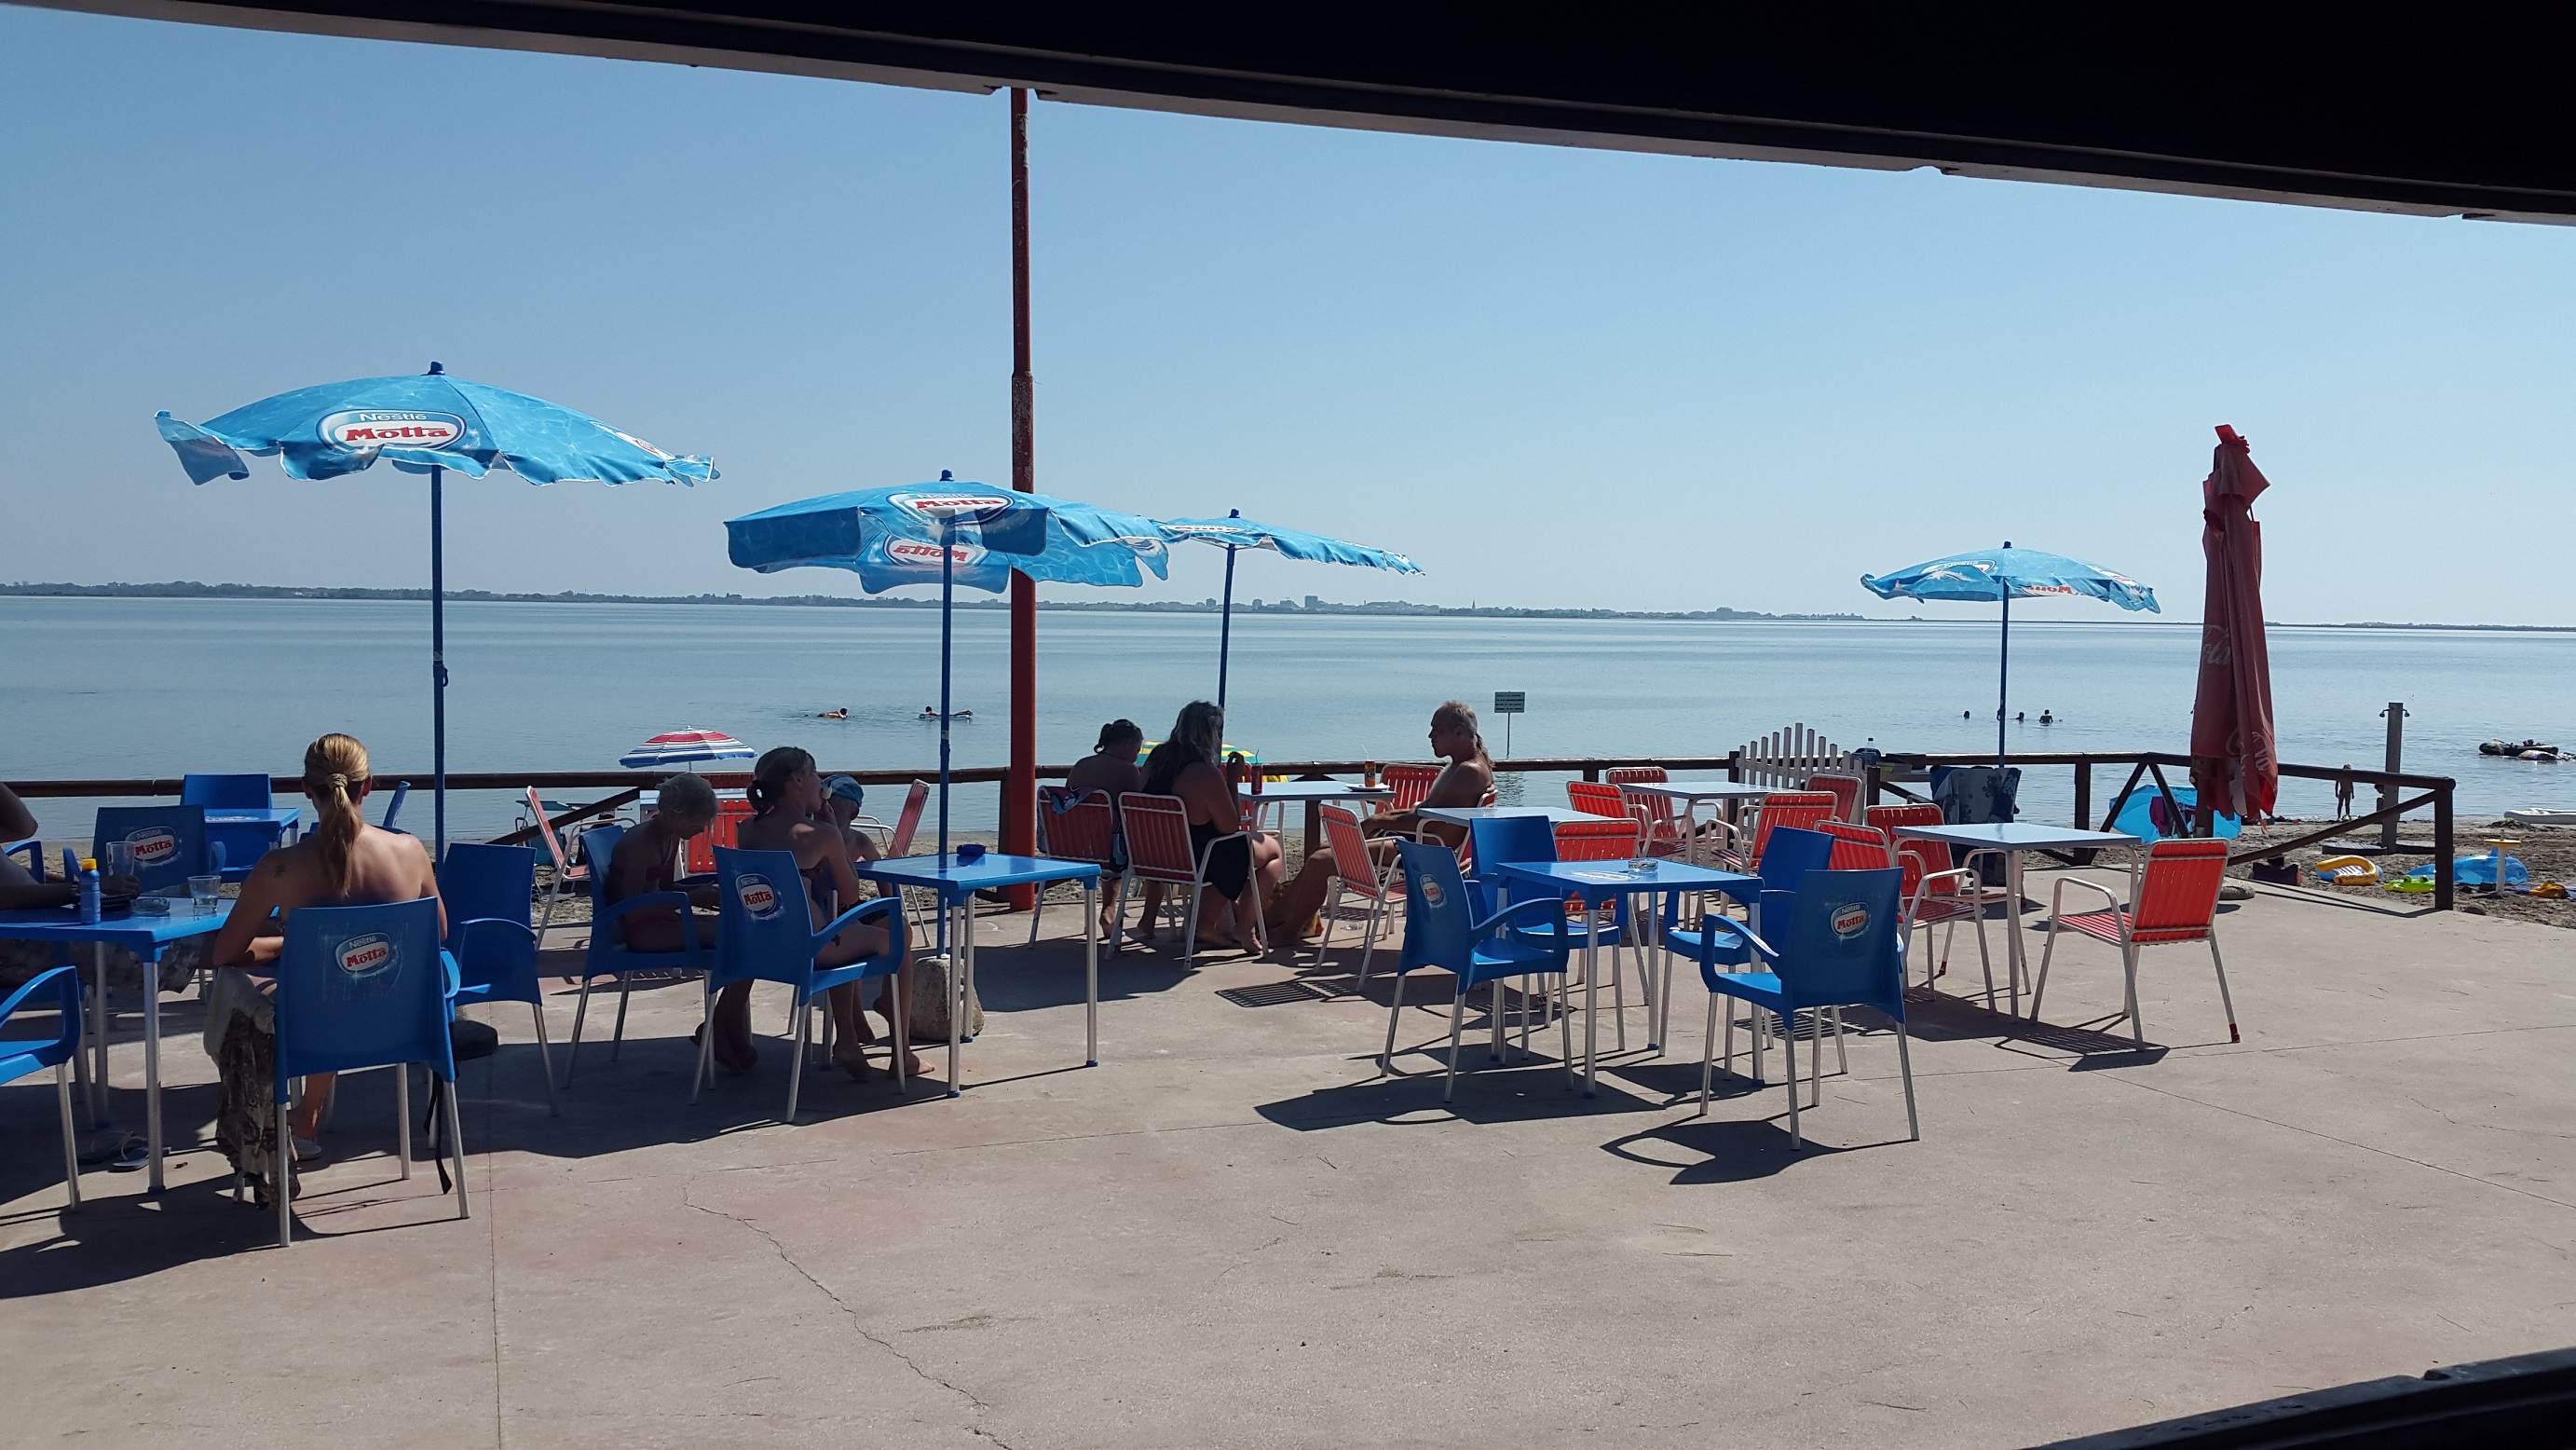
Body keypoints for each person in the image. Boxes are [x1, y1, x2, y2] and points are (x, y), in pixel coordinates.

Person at [205, 733, 443, 1199]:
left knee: (238, 992)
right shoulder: (410, 850)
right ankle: (307, 1114)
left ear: (305, 789)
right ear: (368, 785)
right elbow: (436, 933)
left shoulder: (280, 867)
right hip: (400, 1026)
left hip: (314, 1031)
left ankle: (271, 1134)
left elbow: (225, 954)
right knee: (344, 984)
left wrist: (285, 944)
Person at [729, 747, 918, 1080]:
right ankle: (902, 1054)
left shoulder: (747, 830)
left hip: (762, 945)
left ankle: (847, 1038)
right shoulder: (820, 835)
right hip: (813, 947)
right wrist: (831, 834)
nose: (820, 782)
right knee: (899, 936)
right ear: (797, 780)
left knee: (840, 929)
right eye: (815, 774)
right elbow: (849, 893)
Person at [1265, 700, 1494, 942]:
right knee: (1322, 850)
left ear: (1459, 733)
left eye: (1436, 730)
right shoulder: (1462, 767)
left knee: (1322, 860)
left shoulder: (1469, 772)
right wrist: (1378, 820)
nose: (1430, 735)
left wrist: (1376, 822)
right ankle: (1276, 921)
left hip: (1425, 853)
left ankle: (1286, 929)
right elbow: (1426, 814)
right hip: (1421, 843)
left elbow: (1428, 823)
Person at [0, 779, 208, 995]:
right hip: (25, 943)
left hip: (46, 922)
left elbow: (25, 827)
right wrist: (83, 890)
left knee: (188, 902)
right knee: (177, 942)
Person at [1137, 702, 1277, 951]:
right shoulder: (1203, 773)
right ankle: (1240, 927)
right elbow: (1230, 826)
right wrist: (1231, 779)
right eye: (1219, 732)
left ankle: (1218, 922)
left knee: (1231, 849)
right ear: (1209, 734)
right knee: (1271, 851)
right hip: (1194, 859)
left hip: (1152, 856)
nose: (1220, 737)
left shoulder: (1155, 762)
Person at [605, 772, 722, 956]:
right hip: (639, 930)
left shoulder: (672, 836)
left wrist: (706, 892)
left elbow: (666, 888)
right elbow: (632, 909)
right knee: (731, 935)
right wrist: (692, 898)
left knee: (737, 927)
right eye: (697, 821)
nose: (701, 828)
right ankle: (730, 984)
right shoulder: (641, 843)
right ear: (676, 813)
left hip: (661, 918)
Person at [1062, 720, 1144, 939]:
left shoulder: (1081, 765)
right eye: (1137, 750)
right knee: (1140, 851)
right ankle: (1115, 911)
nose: (1137, 756)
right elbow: (1140, 809)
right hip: (1108, 850)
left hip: (1071, 846)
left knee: (1110, 843)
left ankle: (1109, 910)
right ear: (1127, 744)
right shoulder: (1127, 770)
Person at [820, 775, 886, 865]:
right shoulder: (810, 838)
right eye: (818, 810)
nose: (822, 816)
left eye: (831, 812)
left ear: (853, 814)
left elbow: (881, 871)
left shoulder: (859, 841)